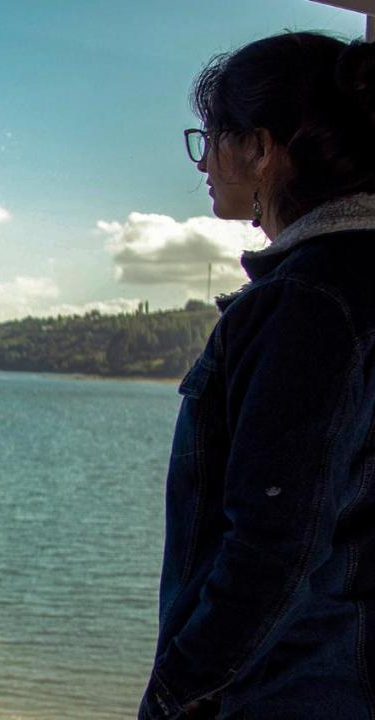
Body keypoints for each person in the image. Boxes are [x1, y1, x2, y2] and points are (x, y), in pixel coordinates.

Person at [142, 31, 375, 719]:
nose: (203, 162)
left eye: (210, 138)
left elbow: (273, 546)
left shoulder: (308, 304)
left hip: (294, 692)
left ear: (262, 148)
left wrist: (175, 695)